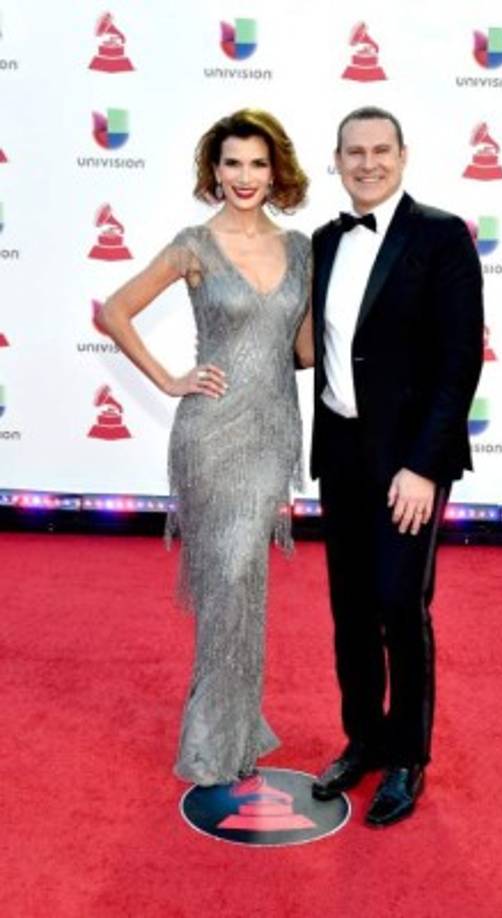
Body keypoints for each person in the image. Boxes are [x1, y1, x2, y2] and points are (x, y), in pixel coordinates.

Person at [101, 109, 312, 786]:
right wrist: (169, 378)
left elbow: (303, 350)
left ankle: (235, 729)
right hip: (211, 434)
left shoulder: (302, 248)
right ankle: (213, 743)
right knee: (225, 581)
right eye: (231, 163)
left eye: (256, 163)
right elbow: (113, 309)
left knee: (243, 586)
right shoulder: (194, 244)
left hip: (273, 433)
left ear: (275, 169)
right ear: (213, 171)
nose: (244, 177)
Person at [310, 107, 483, 827]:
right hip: (341, 454)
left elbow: (459, 361)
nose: (368, 163)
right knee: (349, 611)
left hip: (408, 464)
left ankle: (408, 758)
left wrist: (421, 467)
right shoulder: (323, 240)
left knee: (398, 607)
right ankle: (364, 740)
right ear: (338, 160)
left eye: (382, 150)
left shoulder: (440, 236)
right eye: (355, 152)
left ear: (403, 157)